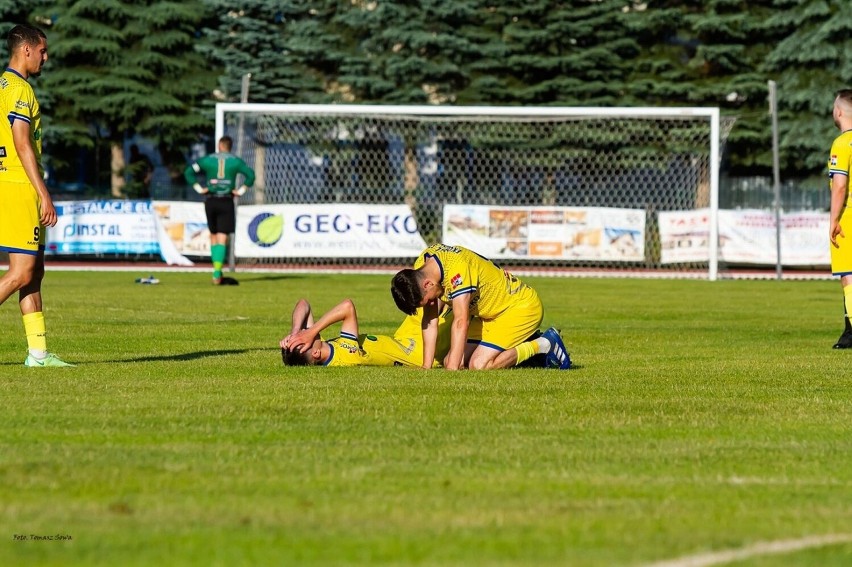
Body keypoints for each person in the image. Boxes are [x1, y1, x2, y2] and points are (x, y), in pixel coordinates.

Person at [0, 24, 73, 367]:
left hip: (11, 182)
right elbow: (21, 142)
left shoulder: (2, 84)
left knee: (34, 272)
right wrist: (43, 193)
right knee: (21, 273)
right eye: (42, 51)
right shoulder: (19, 89)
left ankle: (39, 354)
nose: (46, 57)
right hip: (19, 185)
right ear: (26, 49)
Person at [391, 243, 571, 370]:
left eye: (428, 300)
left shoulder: (456, 271)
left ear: (427, 284)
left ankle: (543, 344)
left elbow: (461, 321)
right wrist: (426, 366)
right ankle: (525, 348)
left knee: (479, 365)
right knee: (449, 361)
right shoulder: (422, 266)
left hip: (519, 308)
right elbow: (430, 319)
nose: (432, 304)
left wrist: (454, 369)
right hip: (490, 316)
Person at [281, 297, 453, 367]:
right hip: (417, 352)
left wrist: (294, 332)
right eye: (303, 339)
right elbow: (347, 306)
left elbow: (304, 304)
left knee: (431, 294)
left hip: (403, 338)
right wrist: (314, 330)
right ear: (317, 353)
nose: (305, 333)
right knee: (459, 307)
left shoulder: (321, 349)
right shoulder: (347, 354)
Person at [183, 136, 255, 285]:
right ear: (230, 146)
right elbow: (251, 175)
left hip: (211, 200)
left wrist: (198, 188)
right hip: (226, 200)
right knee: (222, 237)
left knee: (213, 235)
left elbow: (189, 172)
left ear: (219, 145)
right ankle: (217, 272)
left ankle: (217, 271)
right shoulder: (235, 161)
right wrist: (241, 190)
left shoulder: (208, 160)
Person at [828, 89, 852, 349]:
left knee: (849, 276)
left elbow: (840, 186)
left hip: (849, 216)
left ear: (840, 112)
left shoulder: (842, 143)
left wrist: (834, 219)